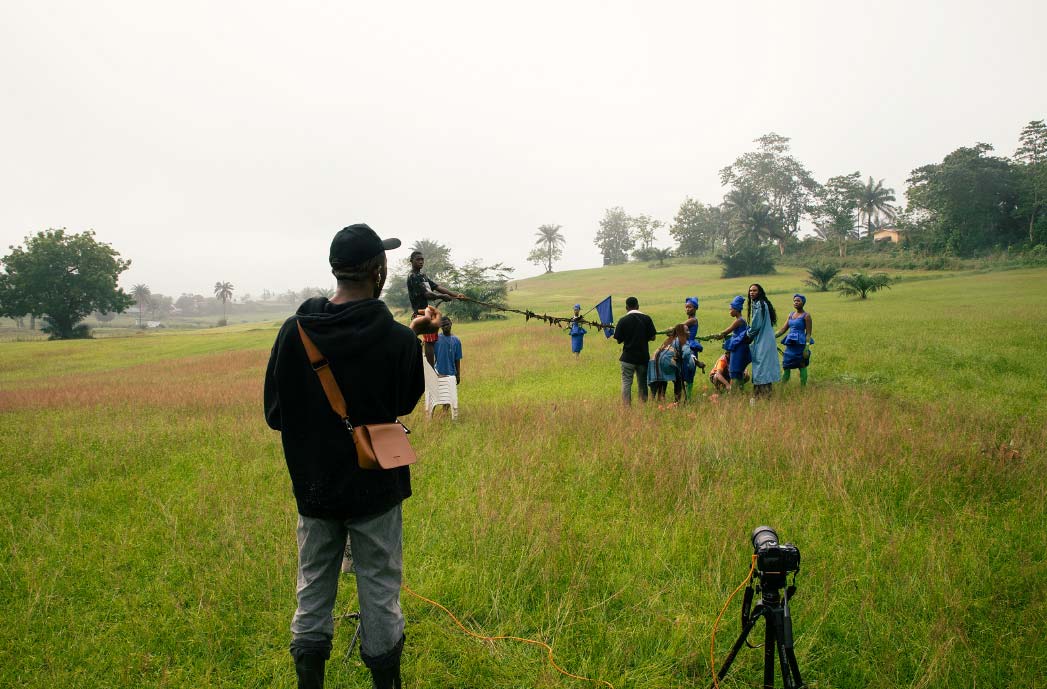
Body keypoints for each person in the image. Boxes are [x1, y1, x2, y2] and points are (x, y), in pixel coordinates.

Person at [265, 223, 441, 689]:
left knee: (312, 589)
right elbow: (404, 400)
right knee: (380, 591)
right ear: (379, 273)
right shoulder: (398, 340)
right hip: (376, 488)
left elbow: (275, 414)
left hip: (314, 490)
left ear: (335, 271)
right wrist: (419, 337)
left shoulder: (294, 332)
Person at [406, 250, 462, 367]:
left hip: (428, 310)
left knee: (431, 341)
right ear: (411, 261)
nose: (421, 262)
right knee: (429, 341)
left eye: (422, 260)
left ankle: (431, 370)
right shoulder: (413, 276)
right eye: (418, 260)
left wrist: (455, 295)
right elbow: (427, 294)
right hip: (421, 312)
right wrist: (442, 296)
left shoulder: (422, 276)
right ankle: (431, 372)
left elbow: (437, 287)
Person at [613, 296, 657, 405]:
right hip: (642, 357)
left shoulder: (623, 320)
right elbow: (653, 337)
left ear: (626, 307)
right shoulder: (647, 319)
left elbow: (618, 340)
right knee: (642, 383)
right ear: (638, 306)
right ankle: (643, 405)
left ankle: (626, 407)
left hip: (627, 358)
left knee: (626, 382)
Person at [745, 283, 780, 397]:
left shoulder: (759, 305)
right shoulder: (761, 303)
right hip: (766, 339)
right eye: (750, 291)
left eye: (754, 290)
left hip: (763, 341)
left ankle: (760, 396)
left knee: (761, 366)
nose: (752, 293)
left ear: (759, 292)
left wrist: (747, 335)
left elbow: (756, 325)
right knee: (764, 366)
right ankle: (764, 395)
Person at [714, 296, 752, 392]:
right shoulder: (741, 320)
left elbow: (725, 332)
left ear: (736, 309)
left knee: (735, 370)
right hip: (739, 347)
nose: (729, 312)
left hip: (739, 348)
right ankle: (740, 391)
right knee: (738, 371)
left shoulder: (739, 321)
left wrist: (718, 335)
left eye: (731, 309)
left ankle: (734, 393)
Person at [775, 294, 813, 386]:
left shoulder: (806, 316)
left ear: (803, 303)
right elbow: (783, 329)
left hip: (800, 345)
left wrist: (806, 348)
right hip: (790, 345)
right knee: (786, 365)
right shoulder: (791, 315)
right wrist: (771, 336)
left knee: (802, 365)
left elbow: (808, 334)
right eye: (794, 301)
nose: (796, 302)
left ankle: (803, 388)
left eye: (798, 301)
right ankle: (782, 387)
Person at [682, 297, 705, 398]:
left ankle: (688, 396)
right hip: (685, 342)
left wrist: (672, 330)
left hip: (690, 344)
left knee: (689, 371)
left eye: (690, 307)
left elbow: (680, 326)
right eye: (686, 307)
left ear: (695, 308)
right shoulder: (689, 319)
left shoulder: (693, 320)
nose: (687, 309)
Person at [433, 316, 463, 385]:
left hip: (452, 374)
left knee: (451, 394)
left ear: (451, 323)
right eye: (443, 325)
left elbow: (457, 359)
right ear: (440, 326)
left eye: (447, 324)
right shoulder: (436, 339)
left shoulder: (456, 341)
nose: (446, 327)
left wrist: (458, 375)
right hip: (438, 374)